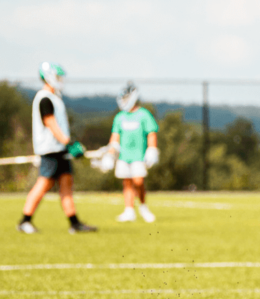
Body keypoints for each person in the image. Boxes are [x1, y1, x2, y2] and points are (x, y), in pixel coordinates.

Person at [18, 62, 97, 234]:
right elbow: (50, 123)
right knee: (43, 184)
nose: (61, 81)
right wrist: (69, 143)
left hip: (60, 149)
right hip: (50, 150)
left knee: (66, 184)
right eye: (58, 77)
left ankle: (74, 224)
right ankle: (25, 221)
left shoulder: (55, 98)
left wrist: (67, 145)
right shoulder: (44, 98)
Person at [104, 83, 159, 223]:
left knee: (138, 181)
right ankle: (129, 211)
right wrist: (110, 155)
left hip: (138, 156)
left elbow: (151, 133)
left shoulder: (143, 115)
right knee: (127, 183)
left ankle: (143, 207)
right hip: (124, 156)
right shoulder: (119, 117)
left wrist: (152, 149)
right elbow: (115, 138)